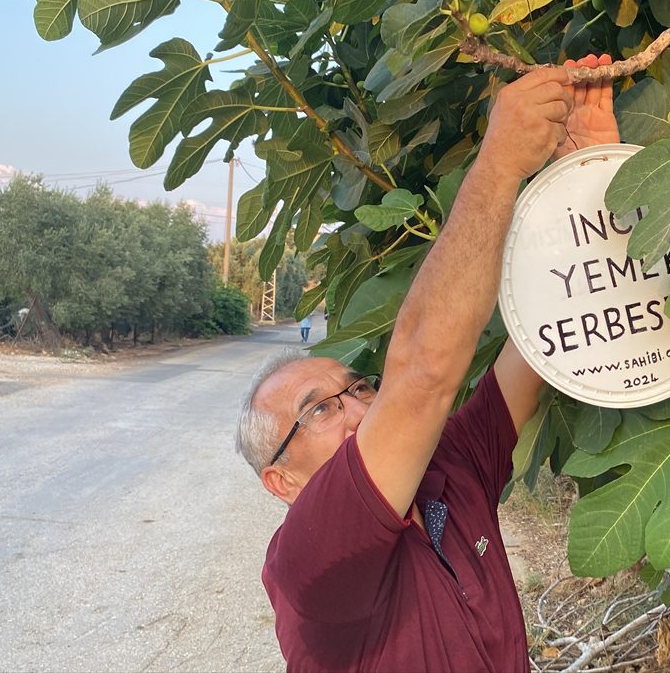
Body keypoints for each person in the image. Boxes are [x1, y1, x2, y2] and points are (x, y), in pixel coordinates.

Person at [234, 54, 619, 672]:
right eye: (321, 411)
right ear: (282, 482)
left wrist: (585, 179)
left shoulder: (450, 469)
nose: (360, 406)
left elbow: (547, 339)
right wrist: (498, 162)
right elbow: (422, 374)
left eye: (358, 388)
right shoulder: (308, 562)